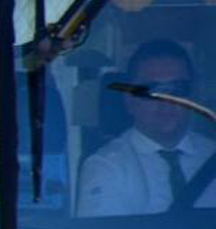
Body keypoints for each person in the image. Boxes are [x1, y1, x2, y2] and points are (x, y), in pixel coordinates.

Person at [77, 40, 215, 216]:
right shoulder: (106, 167)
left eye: (178, 89)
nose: (167, 101)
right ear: (130, 101)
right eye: (152, 90)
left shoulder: (211, 155)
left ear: (193, 96)